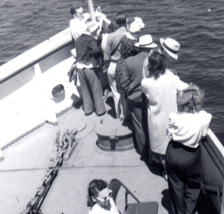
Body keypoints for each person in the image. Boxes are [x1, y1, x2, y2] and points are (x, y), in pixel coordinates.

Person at [166, 84, 212, 214]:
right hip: (190, 156)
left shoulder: (174, 117)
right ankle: (189, 211)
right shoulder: (204, 117)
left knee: (176, 188)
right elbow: (203, 135)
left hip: (173, 151)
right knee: (193, 186)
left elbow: (169, 133)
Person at [141, 51, 188, 171]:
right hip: (171, 117)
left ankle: (166, 171)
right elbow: (186, 88)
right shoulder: (171, 79)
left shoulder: (145, 83)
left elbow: (149, 81)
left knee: (161, 150)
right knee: (171, 146)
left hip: (156, 120)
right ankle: (172, 171)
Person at [120, 35, 157, 157]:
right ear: (150, 48)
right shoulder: (154, 61)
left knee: (139, 125)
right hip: (150, 98)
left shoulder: (129, 61)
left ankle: (143, 151)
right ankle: (154, 151)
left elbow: (123, 83)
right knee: (151, 124)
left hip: (134, 99)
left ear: (139, 47)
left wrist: (128, 93)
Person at [115, 17, 145, 121]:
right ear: (136, 33)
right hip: (127, 69)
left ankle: (123, 114)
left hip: (120, 65)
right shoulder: (134, 44)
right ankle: (128, 117)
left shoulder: (124, 37)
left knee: (123, 95)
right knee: (129, 94)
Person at [76, 21, 106, 116]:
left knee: (85, 90)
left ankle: (88, 110)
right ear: (94, 31)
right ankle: (100, 111)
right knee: (96, 88)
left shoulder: (78, 39)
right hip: (89, 68)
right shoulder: (91, 39)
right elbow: (96, 51)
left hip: (80, 68)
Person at [103, 12, 128, 119]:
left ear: (117, 23)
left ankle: (118, 116)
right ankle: (126, 116)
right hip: (124, 67)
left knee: (115, 93)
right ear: (126, 22)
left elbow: (106, 57)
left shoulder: (110, 36)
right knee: (125, 93)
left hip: (112, 67)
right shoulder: (128, 34)